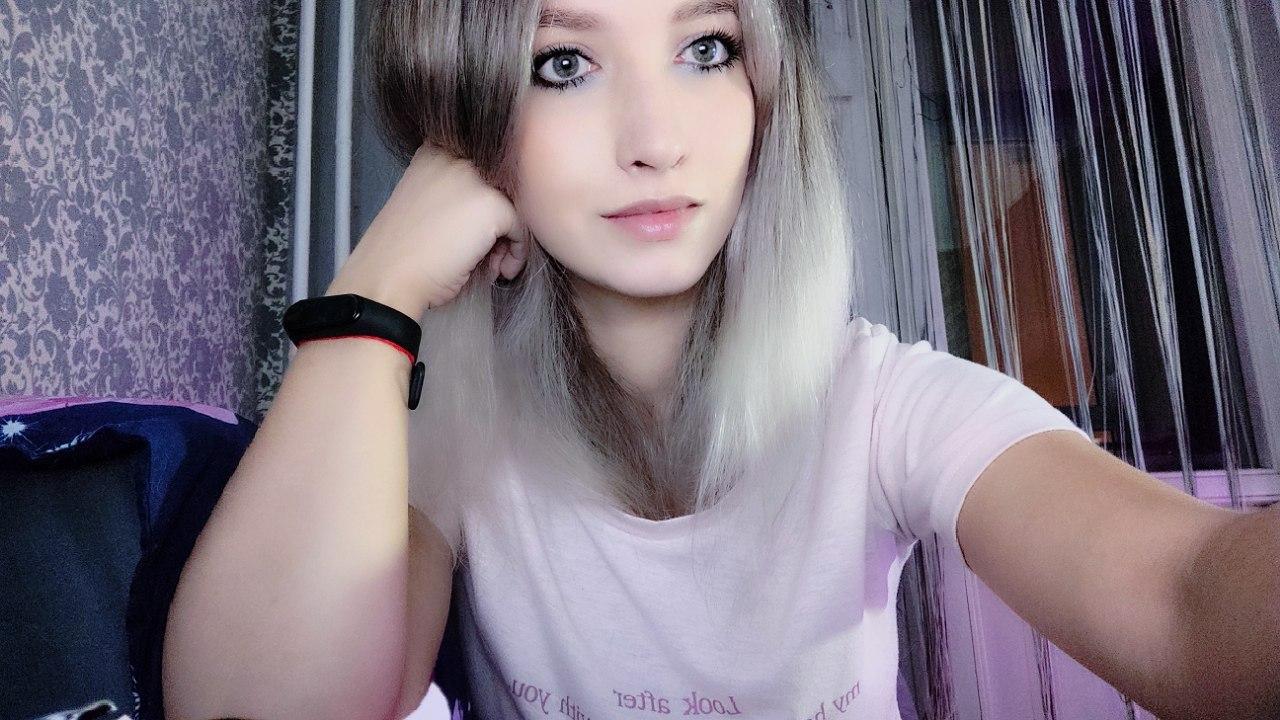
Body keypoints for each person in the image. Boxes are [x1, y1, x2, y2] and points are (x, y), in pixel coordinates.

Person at [161, 1, 1271, 719]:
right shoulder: (444, 433)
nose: (657, 139)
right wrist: (375, 291)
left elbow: (1183, 600)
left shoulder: (886, 406)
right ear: (469, 129)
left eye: (706, 49)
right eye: (562, 63)